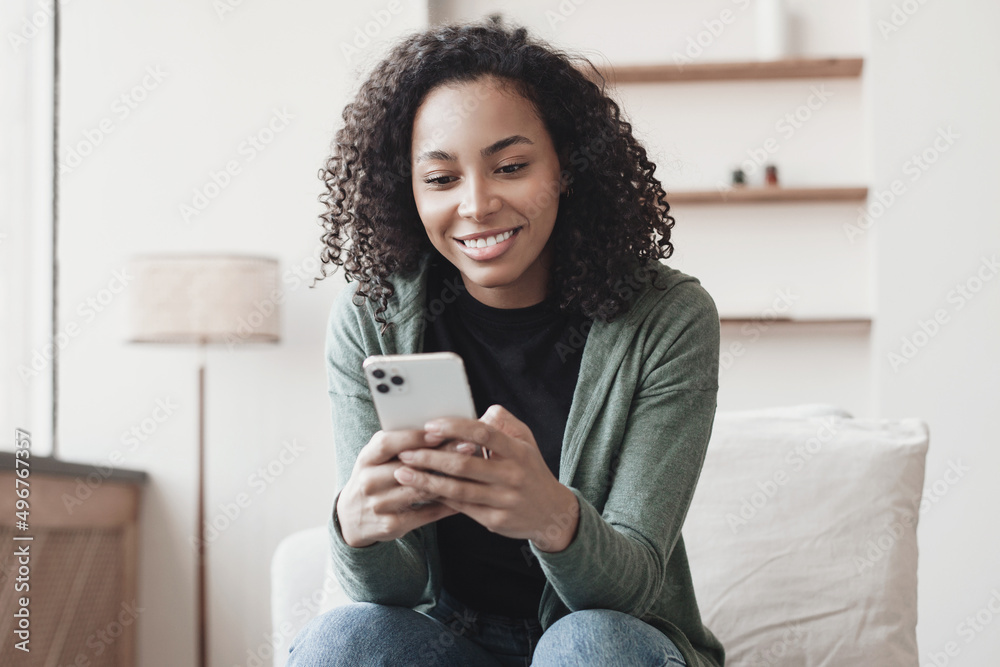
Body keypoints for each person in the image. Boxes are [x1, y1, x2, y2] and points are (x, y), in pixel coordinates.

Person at [290, 14, 725, 667]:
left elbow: (631, 586)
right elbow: (395, 591)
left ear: (567, 168)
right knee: (345, 639)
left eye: (511, 166)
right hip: (451, 640)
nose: (477, 203)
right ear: (407, 189)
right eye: (441, 178)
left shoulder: (667, 318)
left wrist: (551, 515)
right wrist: (358, 530)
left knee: (590, 644)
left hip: (606, 638)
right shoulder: (373, 313)